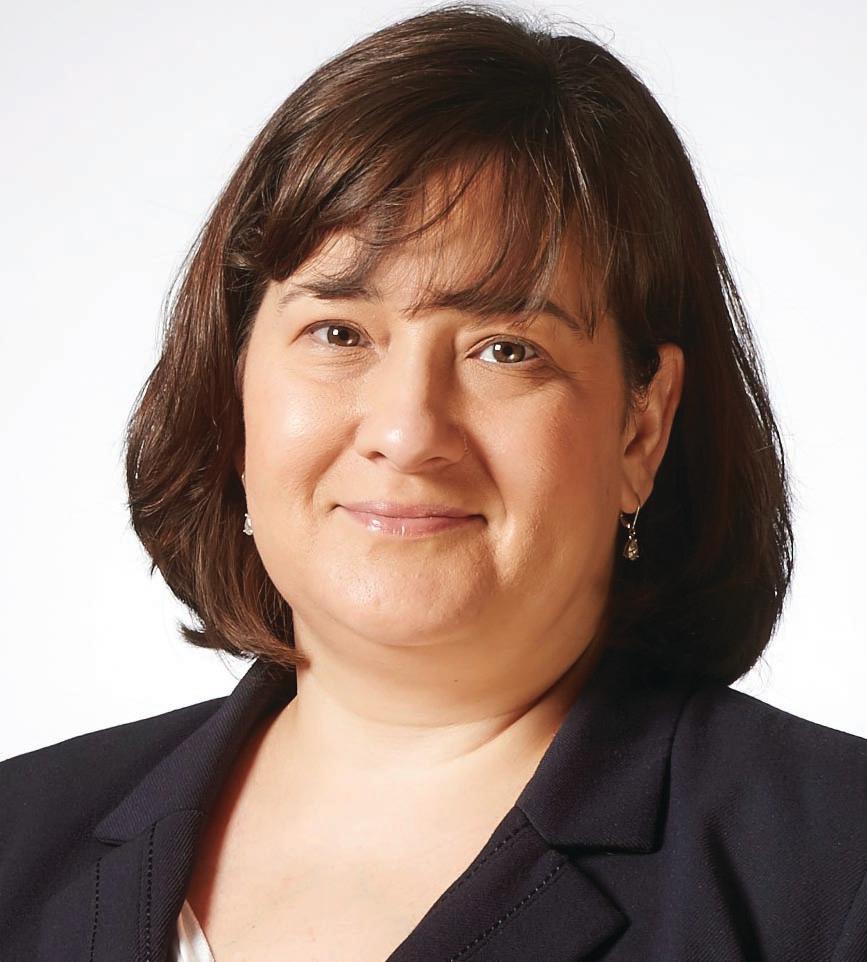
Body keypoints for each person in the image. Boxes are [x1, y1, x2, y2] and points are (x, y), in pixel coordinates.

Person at [2, 4, 866, 960]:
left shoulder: (834, 876)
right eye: (338, 333)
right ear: (233, 390)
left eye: (506, 349)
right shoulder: (17, 838)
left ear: (640, 426)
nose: (407, 433)